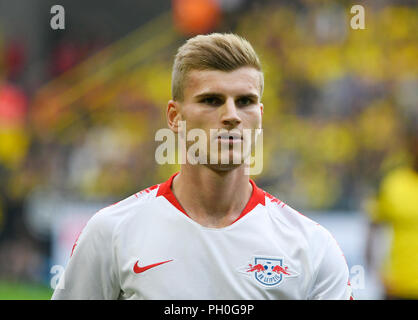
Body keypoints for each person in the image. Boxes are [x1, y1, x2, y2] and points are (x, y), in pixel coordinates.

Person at [52, 33, 353, 300]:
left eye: (245, 101)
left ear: (260, 115)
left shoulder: (312, 247)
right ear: (174, 117)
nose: (232, 115)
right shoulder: (112, 232)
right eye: (211, 100)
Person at [366, 122, 418, 300]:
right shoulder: (393, 183)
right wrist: (376, 274)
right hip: (398, 288)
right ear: (411, 146)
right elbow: (372, 230)